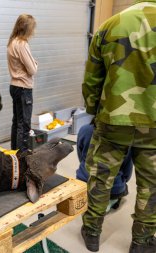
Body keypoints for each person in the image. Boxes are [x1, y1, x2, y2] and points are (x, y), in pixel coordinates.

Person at [80, 1, 156, 252]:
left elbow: (92, 77)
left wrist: (94, 110)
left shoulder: (111, 24)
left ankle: (91, 231)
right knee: (151, 184)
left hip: (113, 117)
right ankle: (142, 241)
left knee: (101, 176)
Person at [76, 124, 133, 212]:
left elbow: (81, 154)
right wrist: (122, 181)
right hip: (112, 186)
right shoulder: (127, 136)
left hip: (84, 180)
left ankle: (88, 201)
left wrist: (86, 169)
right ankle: (109, 202)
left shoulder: (85, 129)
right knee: (121, 188)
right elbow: (127, 169)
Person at [7, 14, 38, 150]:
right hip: (24, 88)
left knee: (17, 122)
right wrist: (35, 64)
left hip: (14, 86)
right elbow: (32, 70)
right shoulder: (22, 44)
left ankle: (14, 154)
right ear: (26, 28)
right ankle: (21, 159)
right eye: (32, 28)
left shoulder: (12, 41)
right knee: (24, 125)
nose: (34, 31)